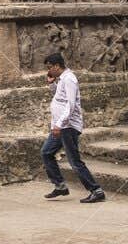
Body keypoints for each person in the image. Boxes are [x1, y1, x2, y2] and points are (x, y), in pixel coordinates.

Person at [41, 53, 105, 203]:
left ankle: (96, 190)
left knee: (74, 161)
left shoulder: (69, 79)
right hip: (60, 126)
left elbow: (70, 105)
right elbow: (60, 98)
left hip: (67, 127)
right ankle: (60, 185)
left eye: (50, 68)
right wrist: (52, 84)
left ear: (57, 66)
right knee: (46, 152)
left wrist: (59, 124)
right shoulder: (62, 79)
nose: (49, 71)